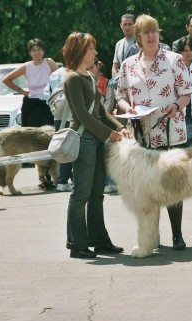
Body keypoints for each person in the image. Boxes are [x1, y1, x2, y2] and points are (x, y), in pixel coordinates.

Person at [116, 15, 192, 250]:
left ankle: (177, 235)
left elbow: (186, 92)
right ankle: (153, 236)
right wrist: (128, 108)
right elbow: (120, 95)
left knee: (172, 184)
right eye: (146, 33)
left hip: (170, 131)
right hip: (142, 135)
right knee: (148, 188)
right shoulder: (129, 64)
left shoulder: (174, 60)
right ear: (137, 37)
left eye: (154, 31)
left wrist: (176, 106)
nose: (151, 36)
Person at [62, 32, 130, 259]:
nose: (95, 53)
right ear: (80, 50)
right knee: (81, 193)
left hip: (97, 140)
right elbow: (82, 115)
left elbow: (100, 111)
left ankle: (100, 242)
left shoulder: (88, 78)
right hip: (83, 140)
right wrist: (109, 133)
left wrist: (119, 127)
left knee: (96, 194)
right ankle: (77, 244)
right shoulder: (72, 78)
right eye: (91, 49)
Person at [2, 38, 58, 127]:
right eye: (34, 50)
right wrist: (21, 90)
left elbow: (60, 79)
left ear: (43, 51)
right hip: (31, 105)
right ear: (30, 52)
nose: (37, 53)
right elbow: (6, 80)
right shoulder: (26, 66)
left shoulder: (49, 62)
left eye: (39, 49)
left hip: (48, 103)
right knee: (31, 135)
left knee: (48, 134)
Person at [87, 57, 117, 193]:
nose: (90, 71)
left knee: (108, 154)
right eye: (87, 69)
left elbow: (109, 104)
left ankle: (112, 183)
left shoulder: (107, 84)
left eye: (92, 68)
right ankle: (101, 183)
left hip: (106, 124)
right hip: (93, 124)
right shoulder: (86, 82)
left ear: (98, 66)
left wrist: (98, 116)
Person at [49, 61, 73, 193]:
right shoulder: (75, 74)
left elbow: (46, 94)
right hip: (72, 116)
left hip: (58, 115)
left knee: (62, 148)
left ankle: (62, 181)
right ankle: (67, 180)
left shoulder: (54, 74)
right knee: (74, 148)